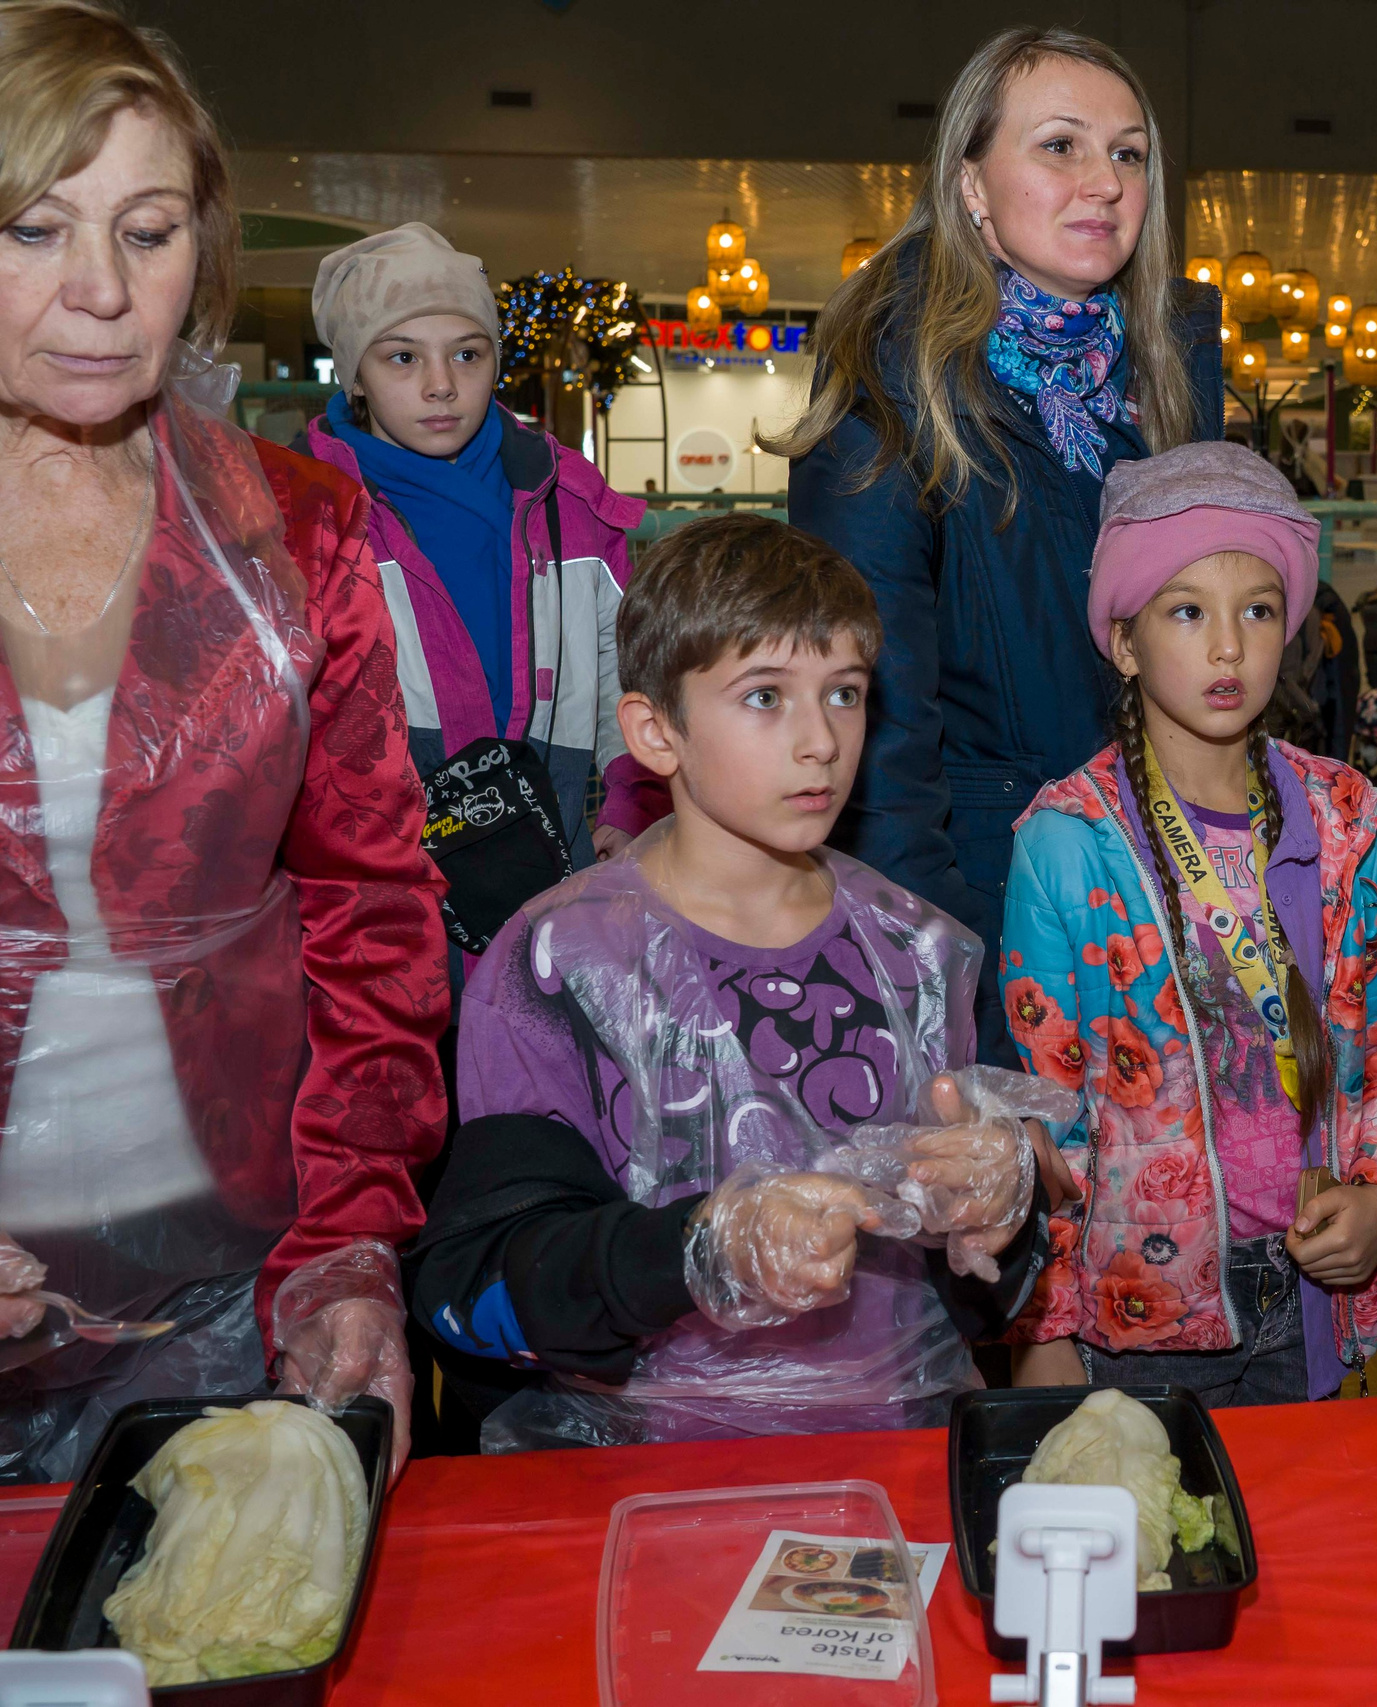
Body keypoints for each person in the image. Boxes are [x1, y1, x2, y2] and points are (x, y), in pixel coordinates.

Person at [0, 0, 446, 1480]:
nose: (99, 294)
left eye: (146, 231)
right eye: (32, 229)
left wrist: (347, 1238)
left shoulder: (292, 528)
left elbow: (369, 909)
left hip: (223, 1279)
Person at [410, 516, 1054, 1447]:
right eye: (764, 697)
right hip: (636, 1484)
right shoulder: (557, 965)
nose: (820, 741)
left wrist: (1002, 1207)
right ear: (655, 730)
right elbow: (480, 1291)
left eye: (844, 693)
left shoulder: (920, 953)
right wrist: (696, 1253)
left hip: (891, 1460)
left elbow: (977, 1293)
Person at [774, 27, 1223, 1070]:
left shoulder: (1166, 369)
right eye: (1059, 146)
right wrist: (957, 991)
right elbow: (872, 737)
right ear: (970, 183)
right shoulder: (893, 381)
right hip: (1000, 900)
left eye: (1128, 153)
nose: (1103, 183)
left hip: (1175, 880)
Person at [1001, 443, 1377, 1404]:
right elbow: (1042, 1112)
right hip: (1136, 1317)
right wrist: (1041, 1325)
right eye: (1186, 611)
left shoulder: (1348, 820)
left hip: (1317, 1290)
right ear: (1124, 641)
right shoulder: (1068, 842)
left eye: (1257, 609)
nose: (1226, 648)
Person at [302, 224, 658, 900]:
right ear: (355, 375)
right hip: (378, 888)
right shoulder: (312, 513)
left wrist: (634, 797)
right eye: (402, 358)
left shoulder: (565, 499)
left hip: (559, 871)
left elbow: (631, 663)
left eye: (467, 354)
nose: (441, 385)